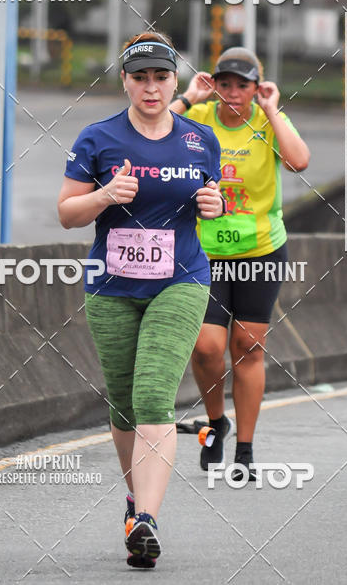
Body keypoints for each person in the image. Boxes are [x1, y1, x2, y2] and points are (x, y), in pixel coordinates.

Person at [57, 31, 224, 569]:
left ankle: (147, 520)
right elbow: (66, 213)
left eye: (161, 77)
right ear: (125, 81)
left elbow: (211, 202)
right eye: (140, 77)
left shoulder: (200, 141)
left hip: (182, 281)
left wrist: (214, 204)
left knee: (154, 396)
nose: (151, 88)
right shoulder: (97, 139)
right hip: (112, 288)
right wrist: (104, 196)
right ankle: (135, 505)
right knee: (123, 404)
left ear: (175, 80)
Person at [170, 47, 310, 481]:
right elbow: (148, 131)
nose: (233, 93)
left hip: (260, 253)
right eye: (225, 83)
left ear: (256, 87)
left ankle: (245, 449)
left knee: (247, 347)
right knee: (207, 348)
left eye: (243, 85)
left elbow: (299, 161)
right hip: (205, 253)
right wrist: (189, 98)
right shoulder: (201, 119)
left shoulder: (267, 120)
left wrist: (271, 110)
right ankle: (216, 423)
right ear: (214, 83)